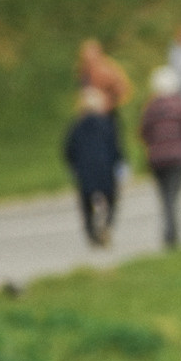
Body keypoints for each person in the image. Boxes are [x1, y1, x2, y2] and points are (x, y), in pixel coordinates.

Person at [140, 66, 181, 250]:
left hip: (157, 159)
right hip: (178, 157)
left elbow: (143, 132)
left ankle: (170, 232)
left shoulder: (150, 108)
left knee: (165, 197)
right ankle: (172, 234)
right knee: (173, 196)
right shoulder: (180, 106)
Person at [63, 87, 124, 247]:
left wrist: (74, 165)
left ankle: (91, 232)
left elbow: (69, 150)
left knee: (86, 203)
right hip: (105, 168)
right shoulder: (107, 124)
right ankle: (107, 225)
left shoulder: (76, 127)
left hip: (84, 171)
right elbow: (115, 147)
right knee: (111, 198)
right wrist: (119, 162)